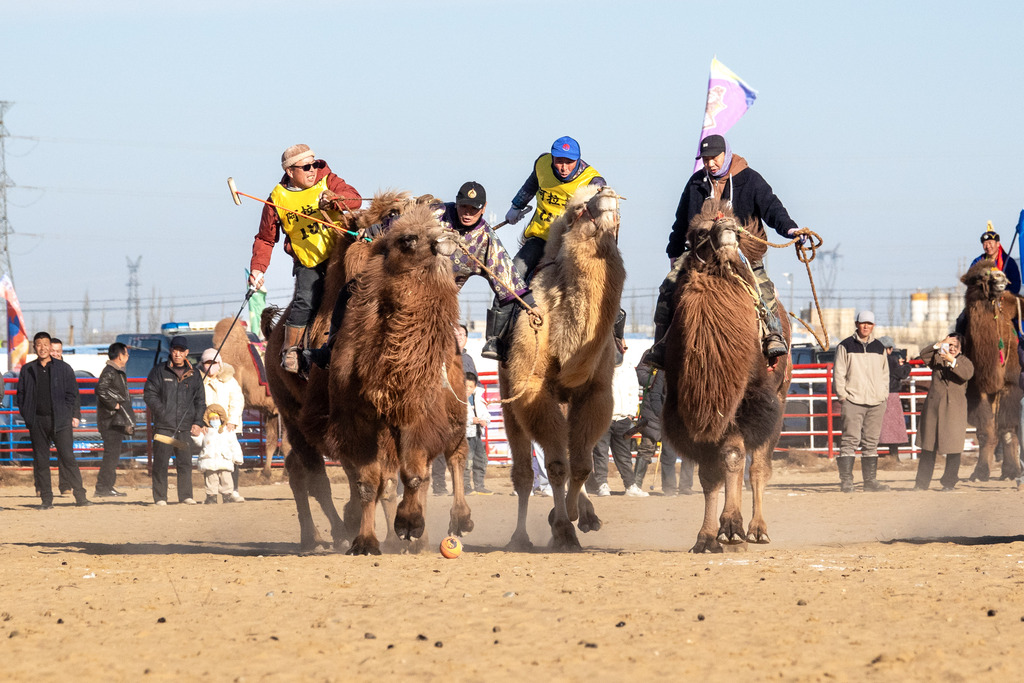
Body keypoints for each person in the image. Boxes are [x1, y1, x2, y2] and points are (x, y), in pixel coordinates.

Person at [649, 134, 802, 367]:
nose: (710, 163)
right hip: (700, 255)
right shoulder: (695, 184)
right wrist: (674, 251)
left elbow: (773, 208)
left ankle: (773, 334)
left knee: (762, 289)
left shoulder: (750, 180)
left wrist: (791, 230)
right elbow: (681, 221)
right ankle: (662, 345)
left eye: (714, 158)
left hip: (742, 253)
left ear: (726, 154)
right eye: (706, 159)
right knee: (668, 289)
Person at [489, 137, 605, 361]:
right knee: (513, 271)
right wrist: (516, 206)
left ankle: (613, 336)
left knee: (599, 280)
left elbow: (602, 214)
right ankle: (497, 337)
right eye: (558, 160)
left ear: (577, 161)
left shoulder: (594, 181)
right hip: (541, 238)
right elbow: (530, 186)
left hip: (573, 243)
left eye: (568, 162)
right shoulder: (542, 164)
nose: (562, 167)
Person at [248, 143, 361, 373]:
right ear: (290, 171)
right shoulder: (276, 199)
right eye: (306, 166)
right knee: (306, 299)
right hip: (308, 261)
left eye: (315, 164)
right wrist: (258, 269)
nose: (312, 170)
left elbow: (355, 199)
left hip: (341, 252)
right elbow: (265, 239)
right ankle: (289, 350)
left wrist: (336, 199)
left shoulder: (327, 180)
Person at [439, 182, 533, 362]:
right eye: (463, 206)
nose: (467, 213)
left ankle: (495, 339)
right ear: (456, 203)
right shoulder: (437, 213)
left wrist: (531, 306)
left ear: (483, 209)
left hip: (441, 299)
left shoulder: (486, 238)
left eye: (473, 209)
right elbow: (404, 220)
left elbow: (507, 276)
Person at [17, 332, 90, 508]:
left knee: (68, 458)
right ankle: (46, 500)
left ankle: (81, 496)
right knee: (41, 461)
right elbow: (21, 395)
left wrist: (66, 413)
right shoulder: (27, 370)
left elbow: (72, 393)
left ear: (51, 347)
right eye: (38, 344)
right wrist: (29, 417)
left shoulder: (64, 369)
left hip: (60, 422)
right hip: (37, 422)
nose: (42, 348)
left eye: (45, 344)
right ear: (34, 347)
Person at [587, 313, 648, 497]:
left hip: (622, 418)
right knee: (601, 454)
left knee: (624, 456)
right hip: (603, 418)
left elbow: (632, 390)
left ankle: (630, 486)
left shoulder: (628, 366)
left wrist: (630, 414)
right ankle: (602, 485)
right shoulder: (597, 366)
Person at [143, 335, 205, 505]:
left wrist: (197, 422)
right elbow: (149, 394)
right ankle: (160, 497)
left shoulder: (195, 374)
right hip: (164, 427)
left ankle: (186, 496)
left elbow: (200, 401)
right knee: (161, 463)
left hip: (185, 428)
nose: (177, 354)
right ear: (170, 351)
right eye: (174, 350)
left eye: (181, 351)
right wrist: (163, 413)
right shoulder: (159, 371)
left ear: (187, 352)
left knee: (185, 463)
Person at [833, 311, 890, 493]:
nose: (866, 326)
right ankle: (847, 481)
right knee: (849, 440)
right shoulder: (845, 346)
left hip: (876, 401)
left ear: (873, 326)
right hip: (853, 400)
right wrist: (842, 395)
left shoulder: (880, 347)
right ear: (856, 324)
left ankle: (870, 481)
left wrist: (883, 394)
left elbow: (885, 373)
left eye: (869, 323)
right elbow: (839, 372)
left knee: (871, 442)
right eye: (863, 323)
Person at [914, 335, 974, 491]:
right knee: (928, 447)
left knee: (954, 449)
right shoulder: (937, 359)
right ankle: (921, 483)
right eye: (950, 344)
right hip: (933, 409)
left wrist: (952, 360)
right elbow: (923, 355)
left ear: (961, 347)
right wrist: (940, 344)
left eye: (955, 345)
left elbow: (966, 374)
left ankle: (949, 483)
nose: (952, 347)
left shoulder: (965, 362)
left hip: (954, 410)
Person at [634, 348, 694, 495]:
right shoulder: (656, 355)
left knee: (688, 451)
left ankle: (685, 486)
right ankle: (642, 485)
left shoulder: (690, 357)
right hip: (660, 414)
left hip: (683, 415)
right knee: (657, 451)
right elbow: (655, 392)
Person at [200, 348, 246, 498]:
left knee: (229, 457)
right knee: (209, 458)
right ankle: (211, 493)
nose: (210, 366)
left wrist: (232, 421)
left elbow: (237, 401)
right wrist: (202, 423)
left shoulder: (230, 380)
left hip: (228, 427)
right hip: (209, 428)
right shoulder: (199, 381)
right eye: (207, 363)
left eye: (213, 362)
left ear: (219, 363)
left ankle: (233, 490)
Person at [94, 342, 132, 497]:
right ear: (120, 355)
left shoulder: (116, 371)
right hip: (110, 420)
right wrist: (113, 405)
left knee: (113, 454)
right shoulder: (110, 371)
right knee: (111, 454)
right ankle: (103, 487)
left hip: (114, 420)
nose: (127, 357)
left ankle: (106, 486)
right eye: (126, 354)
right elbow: (100, 389)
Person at [193, 403, 245, 504]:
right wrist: (195, 435)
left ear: (221, 418)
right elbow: (200, 442)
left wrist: (237, 457)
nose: (215, 420)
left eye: (217, 418)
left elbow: (234, 445)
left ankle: (227, 495)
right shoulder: (206, 432)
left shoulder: (228, 432)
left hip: (224, 460)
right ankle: (211, 496)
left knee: (226, 479)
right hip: (209, 461)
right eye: (212, 418)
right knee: (211, 479)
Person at [876, 336, 911, 460]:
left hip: (876, 395)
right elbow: (902, 374)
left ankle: (875, 456)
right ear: (889, 349)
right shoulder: (891, 359)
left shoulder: (874, 359)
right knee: (894, 426)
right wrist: (907, 364)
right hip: (891, 394)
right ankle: (894, 456)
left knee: (876, 425)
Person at [971, 222, 1021, 295]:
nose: (988, 246)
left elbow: (1016, 284)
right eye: (985, 244)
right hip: (984, 297)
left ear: (998, 244)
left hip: (1004, 297)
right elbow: (971, 279)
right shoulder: (978, 261)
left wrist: (1005, 294)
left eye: (990, 243)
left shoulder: (1008, 262)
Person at [463, 372, 492, 495]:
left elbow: (486, 414)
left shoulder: (479, 399)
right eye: (466, 386)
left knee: (480, 460)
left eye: (471, 386)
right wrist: (470, 421)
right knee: (466, 462)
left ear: (475, 387)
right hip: (465, 436)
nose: (468, 389)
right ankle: (465, 487)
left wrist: (485, 420)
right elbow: (456, 419)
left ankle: (479, 486)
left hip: (478, 434)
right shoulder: (458, 400)